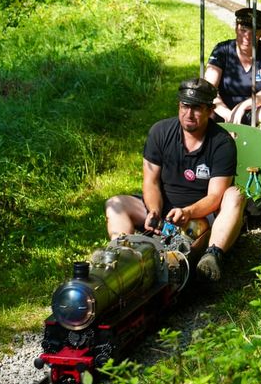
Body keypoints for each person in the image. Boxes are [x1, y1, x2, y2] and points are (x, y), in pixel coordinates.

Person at [105, 78, 245, 281]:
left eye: (196, 108)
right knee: (115, 204)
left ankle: (213, 254)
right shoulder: (160, 132)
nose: (189, 114)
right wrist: (153, 209)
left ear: (209, 110)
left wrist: (188, 212)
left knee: (235, 194)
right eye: (184, 106)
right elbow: (150, 182)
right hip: (163, 209)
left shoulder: (222, 143)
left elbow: (216, 196)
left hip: (201, 214)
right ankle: (122, 255)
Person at [203, 7, 261, 161]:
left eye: (253, 31)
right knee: (201, 110)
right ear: (236, 28)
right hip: (223, 108)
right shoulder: (222, 50)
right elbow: (209, 88)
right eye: (243, 29)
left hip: (257, 108)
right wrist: (228, 113)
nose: (247, 36)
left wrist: (244, 106)